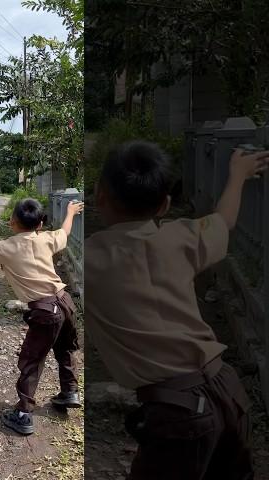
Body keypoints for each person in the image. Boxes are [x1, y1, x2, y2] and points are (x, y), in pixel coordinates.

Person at [85, 141, 269, 479]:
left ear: (99, 196)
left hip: (178, 414)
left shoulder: (92, 258)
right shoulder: (181, 236)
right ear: (165, 205)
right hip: (228, 391)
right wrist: (239, 174)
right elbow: (224, 220)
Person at [0, 197, 84, 435]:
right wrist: (70, 212)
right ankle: (70, 392)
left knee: (32, 360)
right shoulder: (47, 239)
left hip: (44, 311)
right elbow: (65, 232)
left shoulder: (7, 247)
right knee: (66, 349)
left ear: (12, 222)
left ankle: (23, 414)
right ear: (40, 224)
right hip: (65, 302)